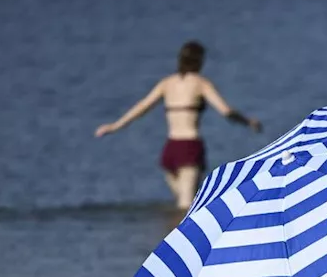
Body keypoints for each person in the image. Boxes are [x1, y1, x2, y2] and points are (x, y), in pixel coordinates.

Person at [95, 41, 263, 211]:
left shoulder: (166, 84)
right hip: (190, 148)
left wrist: (114, 126)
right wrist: (249, 122)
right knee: (187, 208)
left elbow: (142, 107)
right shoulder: (200, 83)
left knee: (189, 203)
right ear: (199, 61)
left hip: (170, 151)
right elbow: (226, 111)